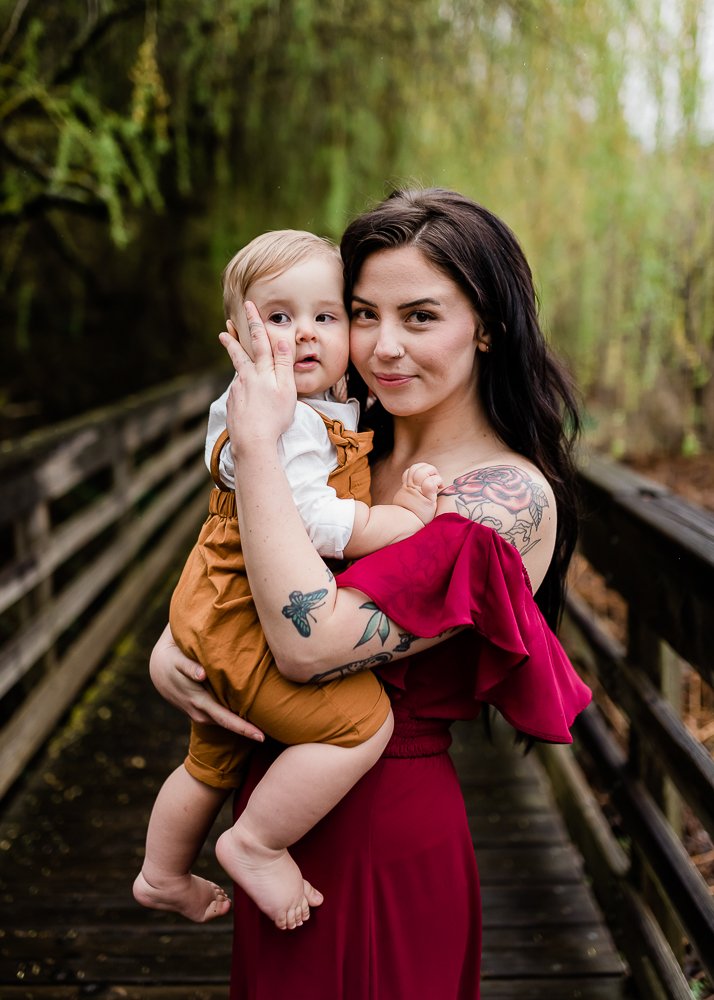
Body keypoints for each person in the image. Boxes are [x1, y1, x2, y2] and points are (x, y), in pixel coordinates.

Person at [150, 188, 592, 999]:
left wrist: (251, 444)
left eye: (420, 316)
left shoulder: (504, 501)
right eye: (361, 313)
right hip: (272, 820)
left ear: (486, 326)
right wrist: (170, 651)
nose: (384, 347)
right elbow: (228, 567)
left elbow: (308, 645)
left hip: (383, 827)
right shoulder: (342, 439)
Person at [133, 230, 443, 931]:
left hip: (224, 606)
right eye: (278, 318)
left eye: (326, 317)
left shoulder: (316, 408)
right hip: (248, 614)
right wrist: (403, 520)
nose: (303, 334)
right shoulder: (279, 418)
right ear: (237, 333)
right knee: (362, 725)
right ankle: (257, 843)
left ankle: (161, 873)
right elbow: (315, 521)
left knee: (212, 757)